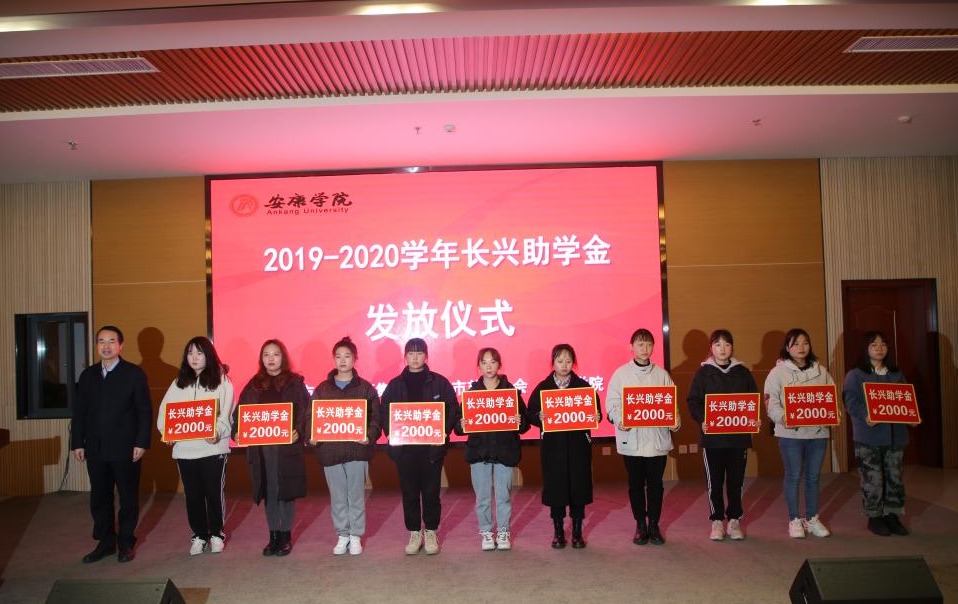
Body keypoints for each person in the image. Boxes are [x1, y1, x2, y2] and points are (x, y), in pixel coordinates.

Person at [70, 325, 152, 564]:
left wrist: (141, 442)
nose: (106, 346)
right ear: (97, 345)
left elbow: (144, 411)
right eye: (101, 341)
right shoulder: (88, 376)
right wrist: (78, 442)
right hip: (96, 447)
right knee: (99, 497)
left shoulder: (134, 374)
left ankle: (125, 542)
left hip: (126, 448)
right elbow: (80, 412)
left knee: (127, 497)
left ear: (120, 345)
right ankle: (105, 542)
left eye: (111, 341)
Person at [380, 338, 460, 555]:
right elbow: (385, 411)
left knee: (431, 492)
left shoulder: (439, 382)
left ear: (426, 356)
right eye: (411, 353)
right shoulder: (395, 385)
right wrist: (391, 432)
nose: (415, 358)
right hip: (405, 450)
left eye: (419, 353)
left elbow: (452, 408)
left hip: (431, 449)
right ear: (405, 357)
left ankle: (431, 531)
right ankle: (414, 532)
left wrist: (443, 430)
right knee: (409, 492)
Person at [157, 336, 235, 556]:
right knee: (193, 496)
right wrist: (167, 432)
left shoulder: (222, 381)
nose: (194, 357)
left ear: (208, 355)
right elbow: (165, 412)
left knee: (213, 493)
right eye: (190, 353)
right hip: (185, 451)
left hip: (212, 449)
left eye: (199, 353)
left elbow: (226, 413)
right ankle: (199, 535)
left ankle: (217, 534)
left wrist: (217, 432)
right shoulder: (179, 382)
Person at [232, 339, 310, 556]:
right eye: (266, 355)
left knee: (286, 490)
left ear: (283, 357)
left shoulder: (295, 383)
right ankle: (273, 535)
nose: (271, 359)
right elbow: (240, 412)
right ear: (261, 359)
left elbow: (306, 412)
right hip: (262, 450)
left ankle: (285, 536)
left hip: (286, 448)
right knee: (269, 490)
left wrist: (299, 431)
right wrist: (237, 431)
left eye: (275, 354)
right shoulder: (254, 384)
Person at [606, 328, 680, 546]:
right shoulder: (620, 374)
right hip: (632, 441)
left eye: (648, 344)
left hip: (656, 441)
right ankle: (640, 524)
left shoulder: (662, 375)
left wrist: (675, 421)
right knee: (636, 485)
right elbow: (612, 404)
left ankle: (654, 524)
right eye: (640, 344)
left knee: (656, 485)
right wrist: (620, 419)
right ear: (631, 347)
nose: (645, 348)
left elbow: (671, 404)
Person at [308, 336, 381, 556]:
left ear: (355, 359)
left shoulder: (365, 388)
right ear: (333, 359)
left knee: (356, 495)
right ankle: (342, 534)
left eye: (347, 356)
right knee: (338, 496)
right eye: (338, 356)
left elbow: (376, 418)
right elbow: (311, 416)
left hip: (357, 450)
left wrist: (369, 435)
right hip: (330, 452)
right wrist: (311, 435)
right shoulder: (322, 389)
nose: (342, 360)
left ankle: (356, 535)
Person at [453, 347, 530, 551]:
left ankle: (503, 532)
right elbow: (458, 427)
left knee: (504, 496)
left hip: (505, 452)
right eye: (484, 362)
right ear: (479, 366)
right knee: (483, 498)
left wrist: (519, 421)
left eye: (493, 362)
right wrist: (462, 424)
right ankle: (486, 532)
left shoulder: (510, 392)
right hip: (479, 453)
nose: (488, 366)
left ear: (499, 365)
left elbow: (525, 424)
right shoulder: (472, 394)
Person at [687, 329, 759, 541]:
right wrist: (703, 419)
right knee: (715, 482)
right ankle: (717, 520)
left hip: (738, 438)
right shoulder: (703, 373)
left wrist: (754, 418)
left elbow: (753, 399)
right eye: (718, 344)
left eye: (727, 344)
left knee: (736, 481)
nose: (723, 349)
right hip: (713, 439)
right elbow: (693, 401)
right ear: (711, 348)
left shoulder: (743, 372)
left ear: (732, 347)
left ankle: (734, 519)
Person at [527, 343, 600, 549]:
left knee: (578, 488)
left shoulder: (584, 387)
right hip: (553, 449)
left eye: (568, 361)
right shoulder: (543, 387)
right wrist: (538, 417)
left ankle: (577, 532)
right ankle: (558, 532)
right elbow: (530, 413)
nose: (564, 365)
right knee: (556, 489)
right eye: (560, 361)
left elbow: (596, 412)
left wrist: (596, 416)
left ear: (573, 363)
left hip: (578, 448)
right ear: (553, 362)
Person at [763, 328, 834, 539]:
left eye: (805, 343)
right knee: (793, 475)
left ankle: (812, 518)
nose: (801, 347)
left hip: (818, 433)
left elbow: (830, 397)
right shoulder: (777, 373)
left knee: (813, 477)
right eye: (795, 344)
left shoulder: (821, 371)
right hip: (790, 434)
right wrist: (783, 417)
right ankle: (794, 519)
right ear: (787, 347)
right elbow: (770, 402)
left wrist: (833, 413)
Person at [842, 330, 912, 537]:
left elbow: (906, 399)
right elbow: (850, 401)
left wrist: (911, 415)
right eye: (874, 345)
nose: (879, 348)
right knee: (872, 480)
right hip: (868, 436)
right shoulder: (855, 375)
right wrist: (865, 415)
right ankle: (874, 517)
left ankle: (893, 515)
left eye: (883, 344)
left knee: (895, 478)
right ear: (865, 349)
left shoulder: (896, 374)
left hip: (896, 435)